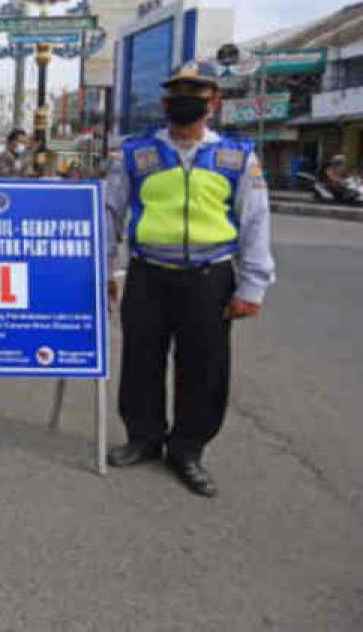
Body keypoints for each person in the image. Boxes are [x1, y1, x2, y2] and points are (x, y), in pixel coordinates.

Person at [105, 60, 275, 498]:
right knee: (142, 359)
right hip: (148, 274)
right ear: (165, 102)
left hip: (210, 276)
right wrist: (103, 269)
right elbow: (110, 214)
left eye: (197, 92)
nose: (186, 99)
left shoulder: (237, 156)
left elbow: (255, 221)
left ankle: (188, 450)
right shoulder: (135, 153)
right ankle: (143, 438)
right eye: (177, 92)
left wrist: (252, 285)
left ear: (213, 102)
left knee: (204, 366)